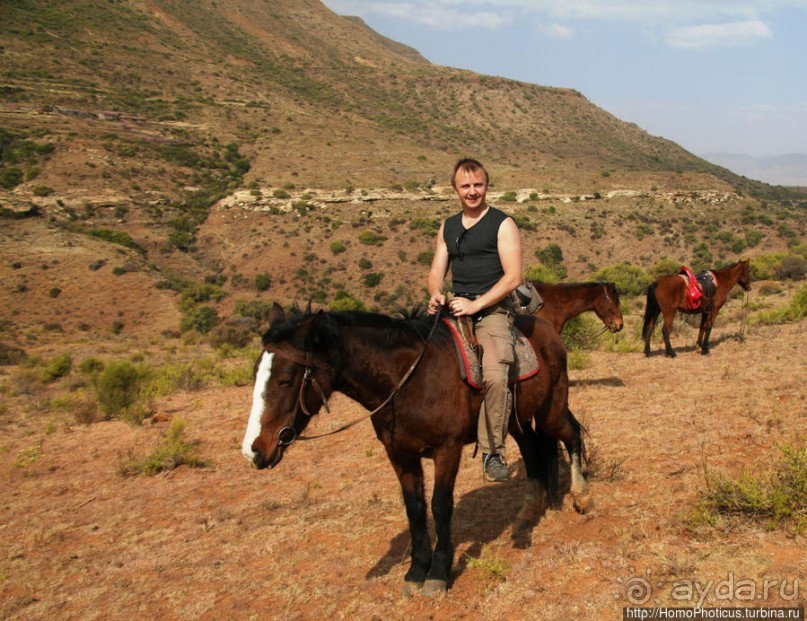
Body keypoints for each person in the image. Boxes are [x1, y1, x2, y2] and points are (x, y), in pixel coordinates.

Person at [427, 158, 523, 482]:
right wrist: (436, 293)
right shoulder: (448, 226)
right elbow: (435, 273)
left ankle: (492, 451)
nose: (472, 192)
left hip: (492, 310)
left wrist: (476, 304)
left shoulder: (502, 223)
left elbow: (513, 277)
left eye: (478, 185)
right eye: (465, 186)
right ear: (455, 190)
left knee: (495, 374)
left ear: (486, 185)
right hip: (453, 308)